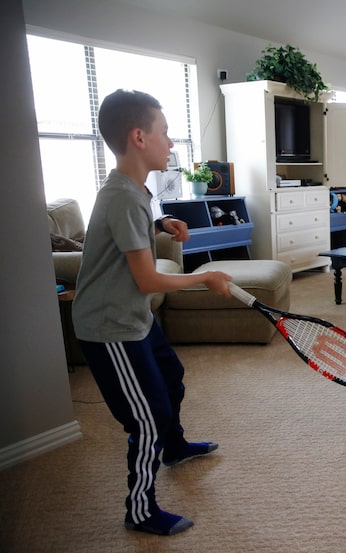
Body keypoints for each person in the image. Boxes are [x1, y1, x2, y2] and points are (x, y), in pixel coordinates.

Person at [72, 89, 233, 535]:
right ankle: (139, 509)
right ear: (139, 137)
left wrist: (159, 223)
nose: (171, 143)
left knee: (171, 377)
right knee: (145, 420)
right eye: (165, 133)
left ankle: (175, 447)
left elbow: (126, 232)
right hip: (111, 329)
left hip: (134, 318)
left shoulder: (133, 189)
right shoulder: (123, 196)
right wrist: (204, 277)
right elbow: (147, 280)